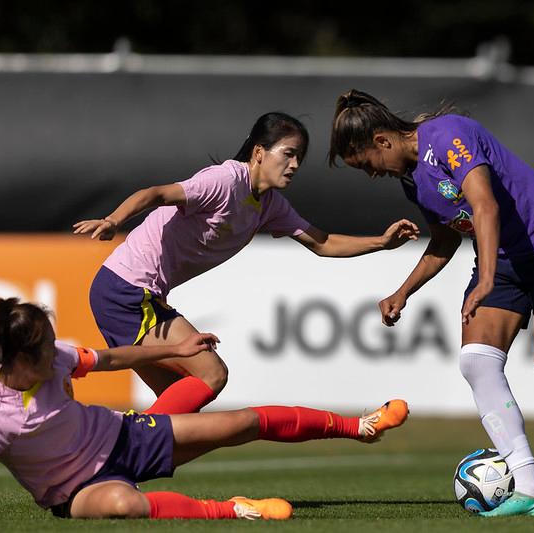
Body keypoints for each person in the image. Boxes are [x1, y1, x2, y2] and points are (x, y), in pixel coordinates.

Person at [328, 90, 534, 517]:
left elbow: (485, 207)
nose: (369, 174)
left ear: (382, 141)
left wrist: (486, 278)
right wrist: (403, 291)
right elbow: (444, 240)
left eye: (365, 163)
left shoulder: (448, 135)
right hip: (504, 260)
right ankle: (530, 488)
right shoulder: (412, 179)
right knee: (476, 362)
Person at [0, 297, 409, 523]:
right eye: (47, 345)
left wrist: (179, 351)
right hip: (75, 490)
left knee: (241, 422)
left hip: (123, 436)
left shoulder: (55, 357)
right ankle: (234, 509)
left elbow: (115, 358)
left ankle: (359, 426)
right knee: (125, 505)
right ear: (17, 358)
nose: (58, 349)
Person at [73, 112, 418, 415]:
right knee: (212, 373)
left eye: (299, 157)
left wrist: (383, 243)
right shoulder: (224, 181)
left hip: (135, 293)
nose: (295, 164)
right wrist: (113, 220)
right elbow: (156, 194)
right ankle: (123, 446)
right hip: (126, 291)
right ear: (258, 153)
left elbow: (323, 243)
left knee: (173, 404)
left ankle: (115, 466)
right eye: (288, 153)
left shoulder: (270, 205)